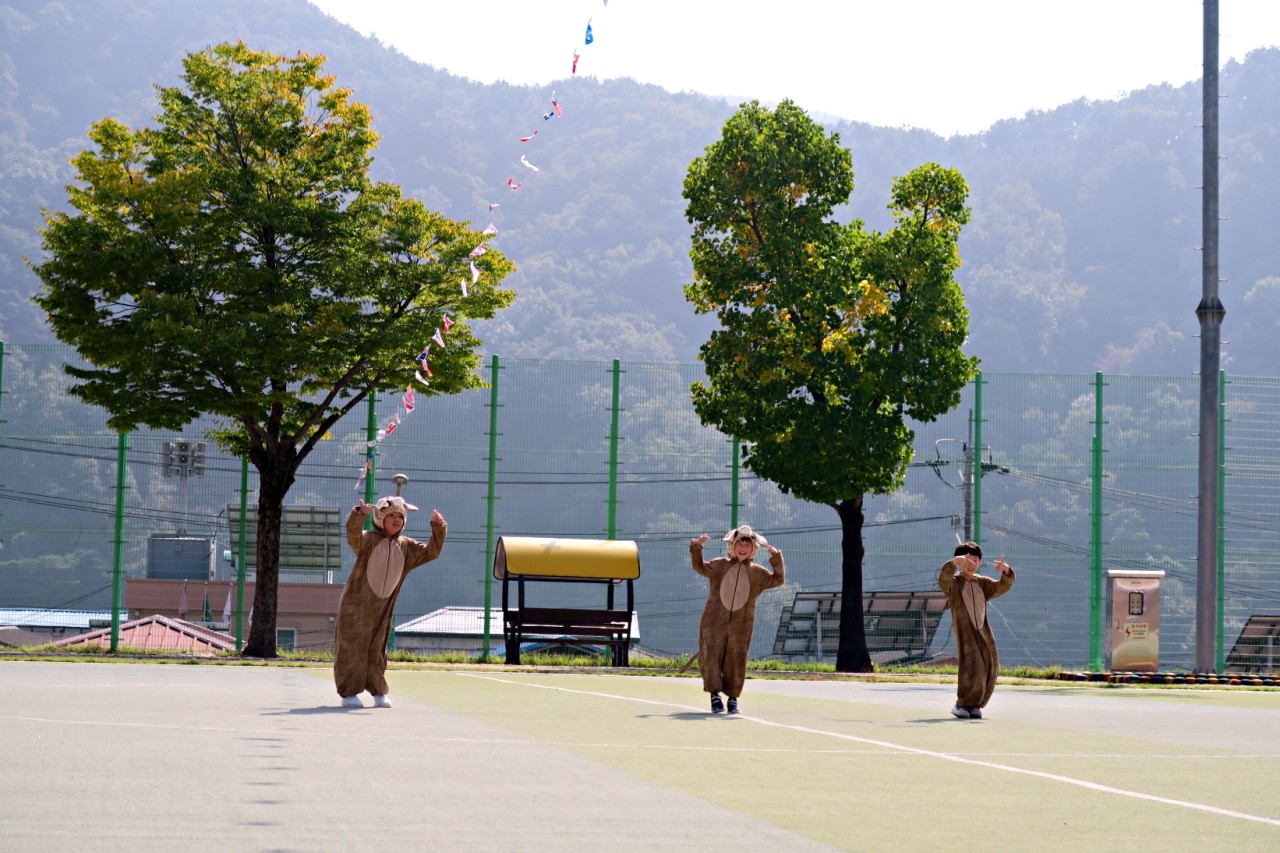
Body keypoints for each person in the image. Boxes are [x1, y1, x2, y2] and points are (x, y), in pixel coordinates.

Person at [334, 495, 446, 708]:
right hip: (355, 607)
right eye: (391, 515)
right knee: (353, 647)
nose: (396, 520)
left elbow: (431, 552)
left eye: (400, 516)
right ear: (379, 517)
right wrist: (360, 514)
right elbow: (352, 535)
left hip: (383, 608)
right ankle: (349, 693)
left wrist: (438, 528)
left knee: (377, 648)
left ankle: (378, 691)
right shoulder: (368, 540)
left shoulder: (407, 546)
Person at [690, 524, 785, 715]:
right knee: (712, 656)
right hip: (713, 622)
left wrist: (776, 558)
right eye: (739, 544)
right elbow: (699, 566)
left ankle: (733, 699)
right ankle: (715, 696)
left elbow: (778, 579)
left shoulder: (758, 573)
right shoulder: (718, 565)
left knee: (736, 658)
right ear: (732, 546)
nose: (743, 548)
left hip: (741, 626)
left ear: (753, 549)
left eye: (747, 545)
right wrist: (696, 547)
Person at [937, 541, 1014, 719]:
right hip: (966, 633)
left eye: (975, 560)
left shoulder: (983, 583)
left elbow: (1002, 586)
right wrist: (953, 564)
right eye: (967, 560)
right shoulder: (954, 583)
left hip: (984, 632)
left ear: (980, 563)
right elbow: (943, 580)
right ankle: (962, 704)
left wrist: (1006, 570)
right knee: (971, 667)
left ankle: (975, 705)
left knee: (990, 666)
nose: (971, 564)